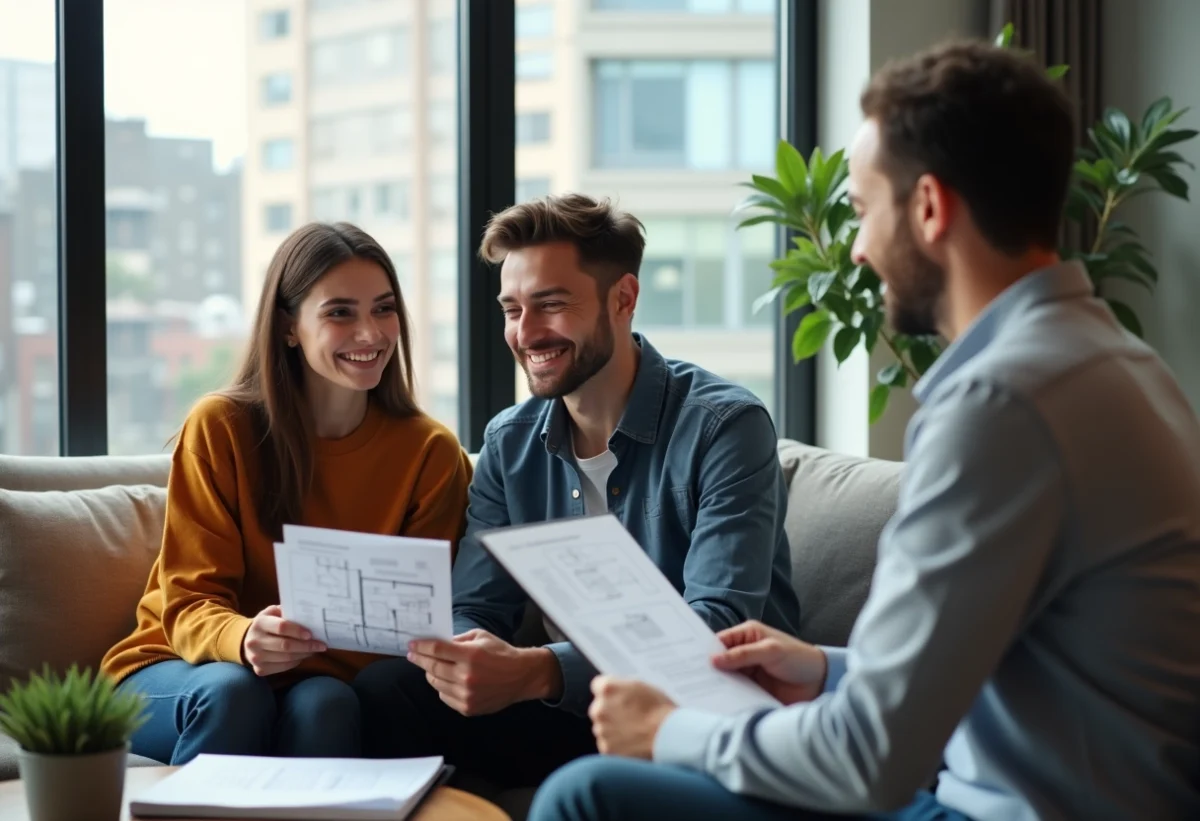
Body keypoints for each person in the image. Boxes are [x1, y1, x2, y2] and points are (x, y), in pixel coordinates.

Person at [528, 39, 1200, 821]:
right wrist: (826, 670)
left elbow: (871, 759)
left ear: (927, 208)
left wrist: (673, 730)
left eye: (860, 209)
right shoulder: (1124, 364)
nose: (857, 247)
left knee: (588, 795)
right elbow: (1007, 666)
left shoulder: (1001, 404)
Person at [353, 193, 801, 787]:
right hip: (583, 709)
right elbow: (478, 605)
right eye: (511, 309)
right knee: (386, 692)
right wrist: (469, 656)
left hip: (705, 713)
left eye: (551, 305)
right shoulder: (510, 443)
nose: (525, 332)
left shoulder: (725, 427)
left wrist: (539, 672)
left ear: (624, 299)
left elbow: (714, 626)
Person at [101, 222, 473, 765]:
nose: (370, 333)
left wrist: (301, 658)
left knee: (329, 707)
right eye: (340, 312)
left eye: (384, 308)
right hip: (179, 666)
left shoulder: (432, 453)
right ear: (289, 327)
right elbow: (187, 605)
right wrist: (247, 637)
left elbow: (411, 632)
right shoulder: (222, 427)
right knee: (234, 694)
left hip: (317, 680)